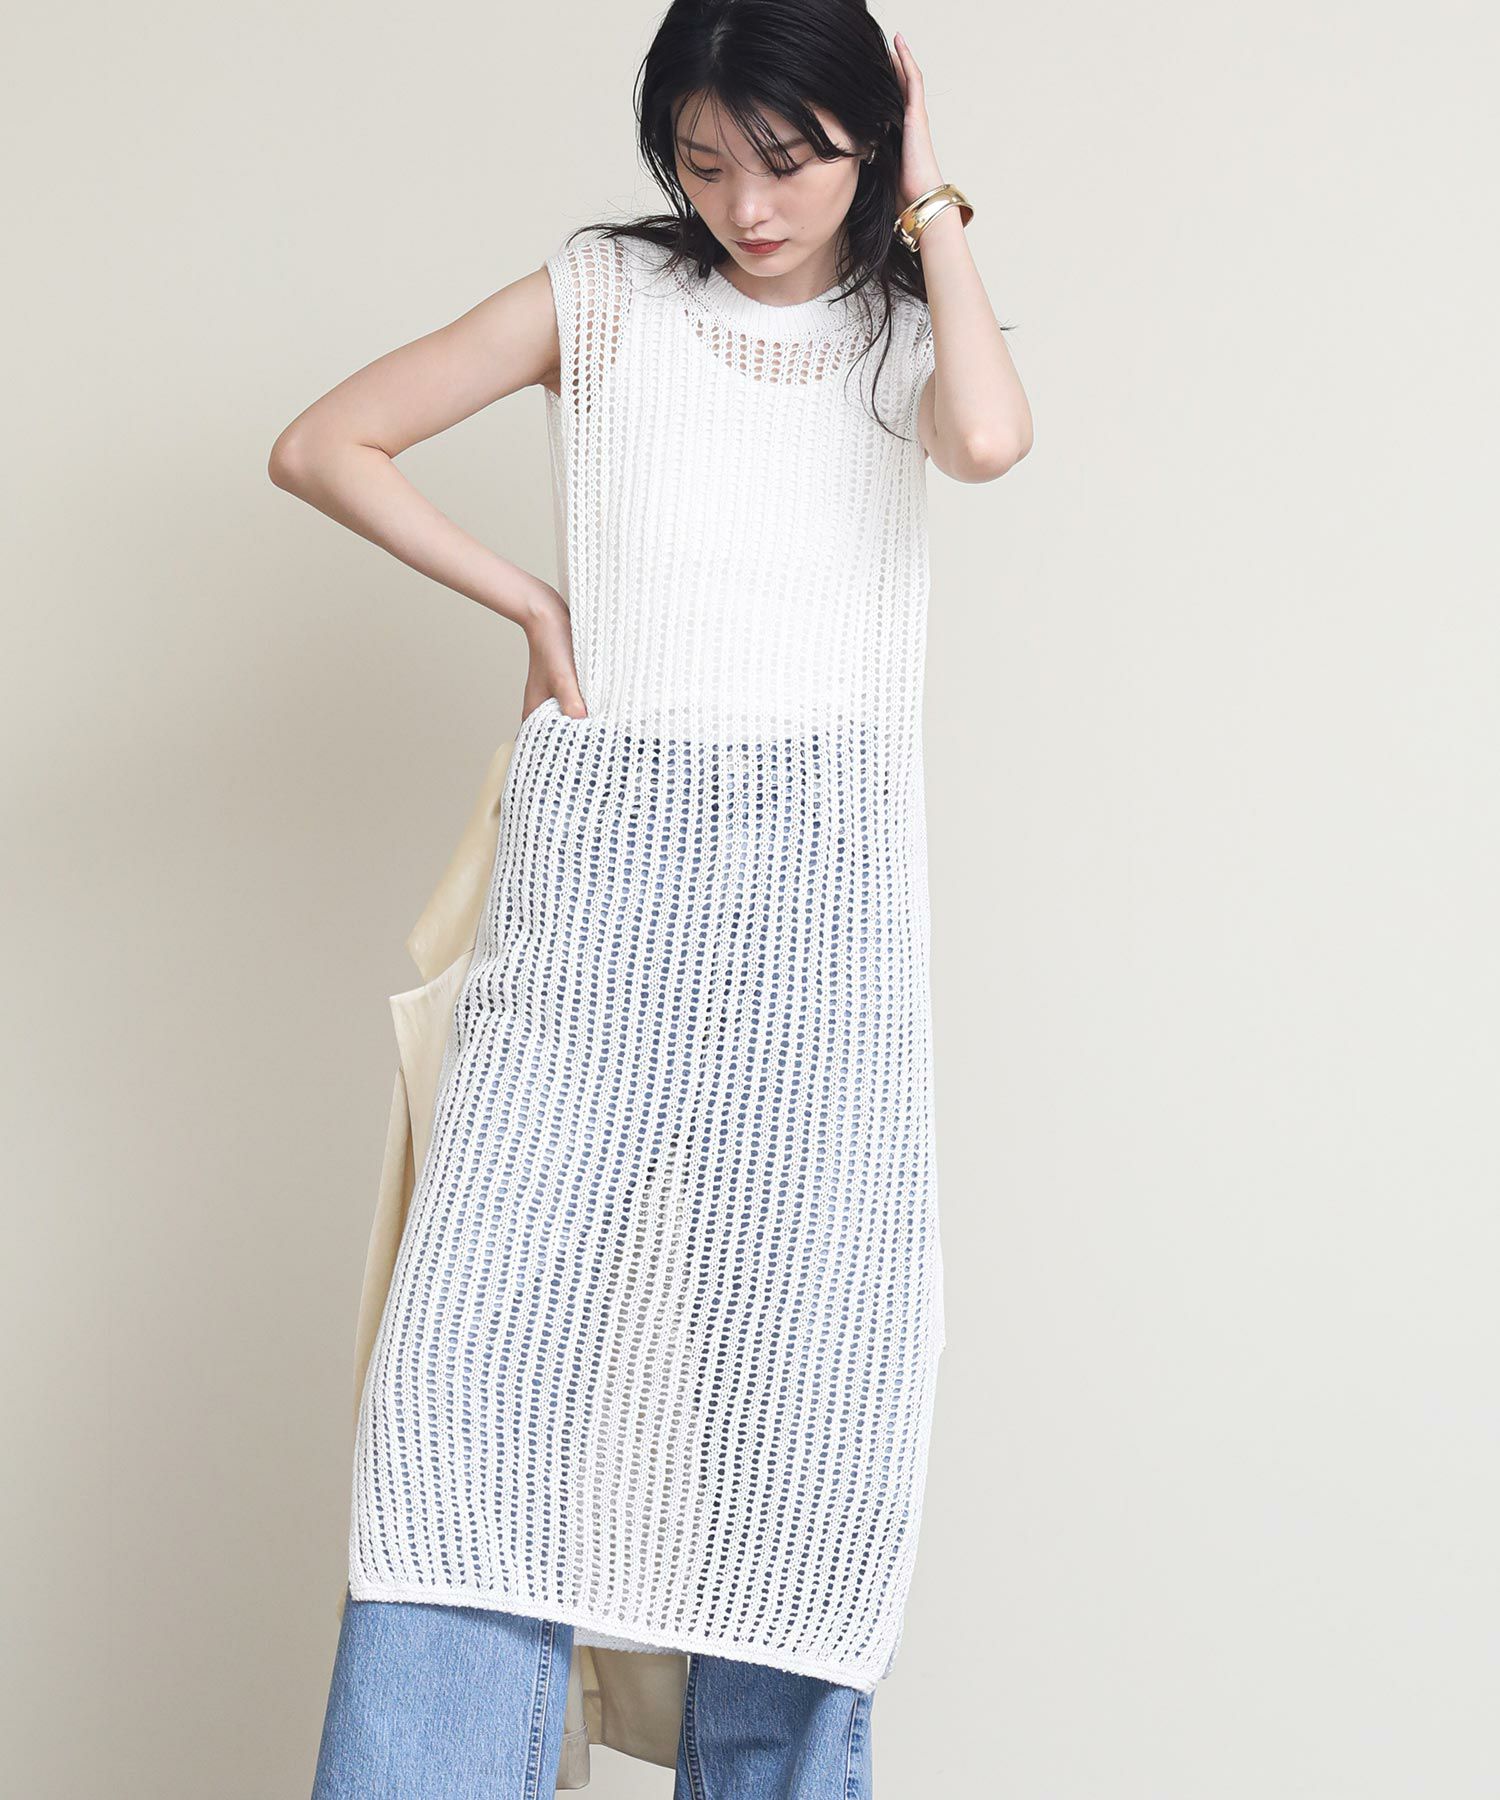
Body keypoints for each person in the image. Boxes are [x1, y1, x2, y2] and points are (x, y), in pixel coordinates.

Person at [269, 2, 1032, 1792]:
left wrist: (931, 199)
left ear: (871, 140)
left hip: (824, 914)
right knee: (475, 1380)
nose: (747, 209)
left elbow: (990, 441)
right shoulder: (604, 297)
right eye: (703, 164)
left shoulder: (900, 334)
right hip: (600, 886)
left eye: (791, 162)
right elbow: (324, 443)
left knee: (803, 1414)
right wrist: (531, 603)